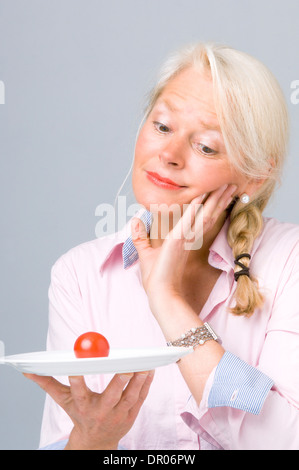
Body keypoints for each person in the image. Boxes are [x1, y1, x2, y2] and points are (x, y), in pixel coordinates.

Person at [25, 42, 299, 450]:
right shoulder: (79, 275)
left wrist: (167, 299)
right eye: (162, 126)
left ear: (254, 177)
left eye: (205, 146)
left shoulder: (288, 259)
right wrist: (93, 438)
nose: (168, 154)